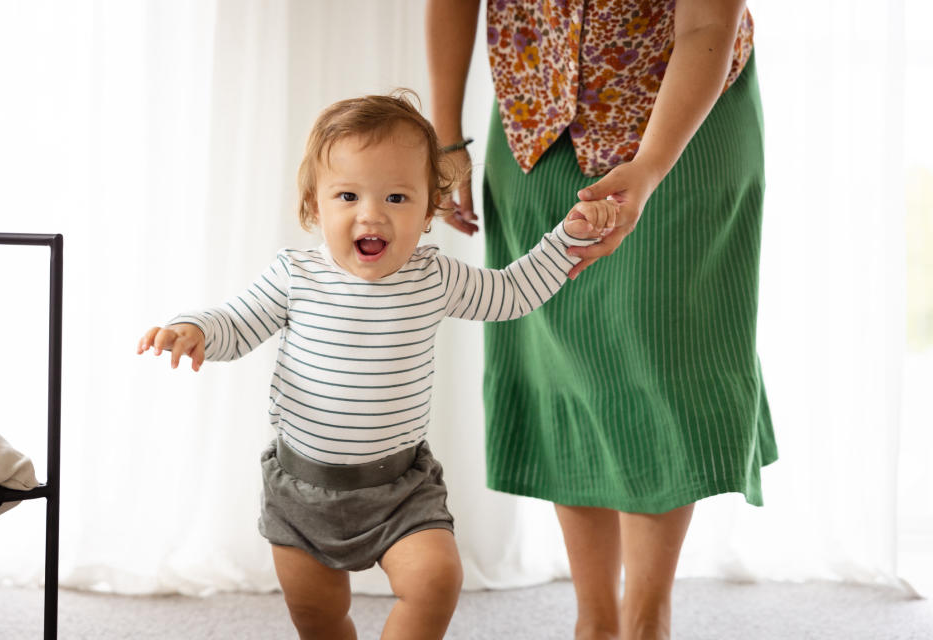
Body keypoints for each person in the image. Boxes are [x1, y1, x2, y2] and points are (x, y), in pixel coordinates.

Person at [136, 91, 615, 640]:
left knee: (436, 579)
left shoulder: (434, 277)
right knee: (318, 617)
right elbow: (235, 323)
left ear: (428, 208)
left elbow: (511, 293)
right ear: (315, 207)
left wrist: (569, 239)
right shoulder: (297, 276)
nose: (372, 214)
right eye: (347, 195)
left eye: (396, 196)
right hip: (302, 491)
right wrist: (193, 329)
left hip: (401, 489)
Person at [426, 1, 777, 638]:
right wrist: (446, 136)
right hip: (538, 124)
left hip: (682, 121)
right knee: (563, 361)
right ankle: (595, 622)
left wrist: (647, 168)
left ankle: (647, 621)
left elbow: (705, 25)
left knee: (667, 362)